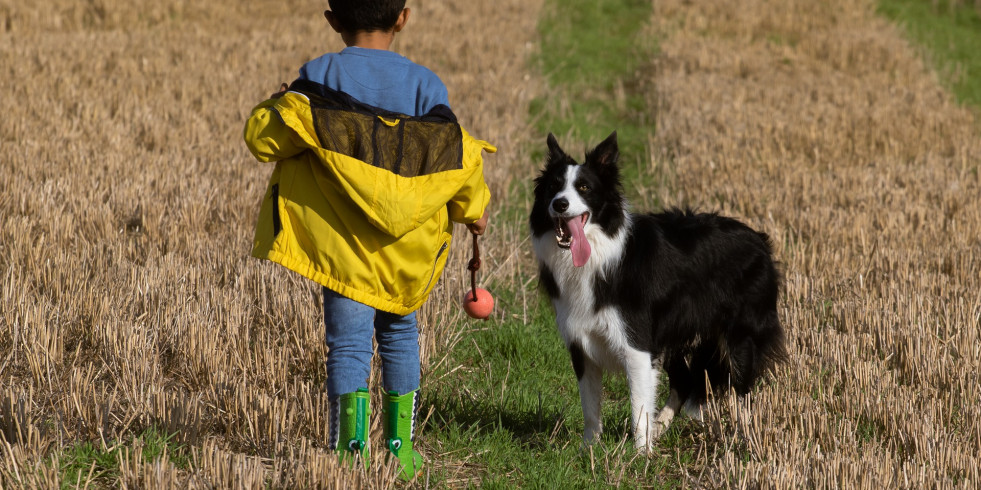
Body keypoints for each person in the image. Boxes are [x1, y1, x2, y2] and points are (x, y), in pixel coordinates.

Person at [242, 0, 493, 480]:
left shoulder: (317, 76)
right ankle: (401, 451)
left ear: (333, 19)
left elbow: (263, 141)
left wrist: (278, 105)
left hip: (343, 255)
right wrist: (473, 211)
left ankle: (348, 456)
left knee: (349, 347)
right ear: (403, 16)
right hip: (406, 257)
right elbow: (454, 154)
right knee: (400, 337)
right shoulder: (426, 86)